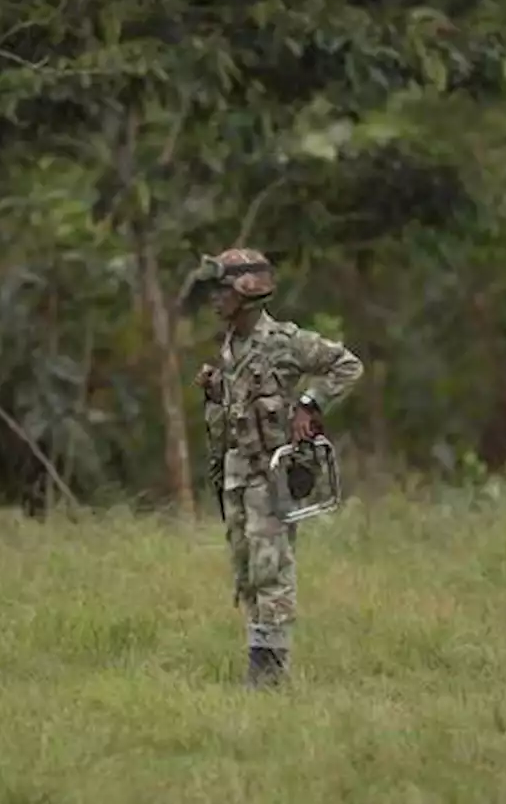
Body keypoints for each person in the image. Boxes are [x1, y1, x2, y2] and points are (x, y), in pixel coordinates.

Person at [181, 247, 364, 687]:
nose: (214, 300)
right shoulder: (229, 347)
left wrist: (309, 403)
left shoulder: (283, 341)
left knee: (272, 569)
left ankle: (270, 674)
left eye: (222, 290)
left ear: (246, 292)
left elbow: (347, 365)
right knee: (245, 570)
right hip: (235, 476)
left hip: (270, 475)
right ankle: (258, 662)